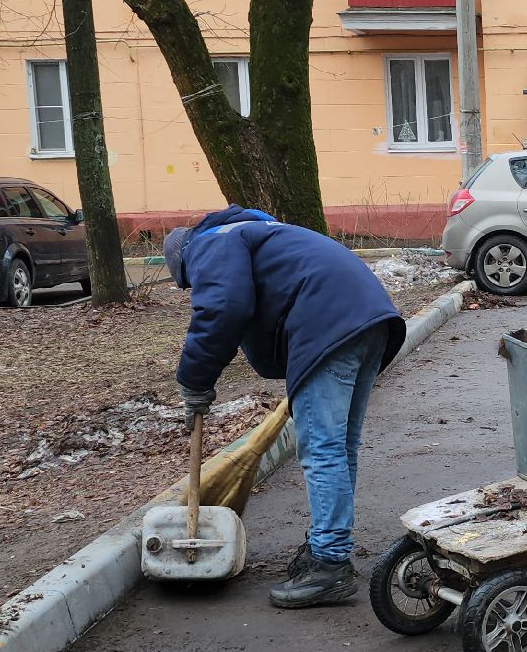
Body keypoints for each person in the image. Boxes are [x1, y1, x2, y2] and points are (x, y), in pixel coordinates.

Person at [165, 206, 405, 609]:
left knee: (324, 449)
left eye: (188, 282)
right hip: (369, 317)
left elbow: (223, 308)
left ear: (183, 261)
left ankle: (330, 564)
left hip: (329, 324)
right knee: (340, 447)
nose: (194, 286)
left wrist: (193, 382)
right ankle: (325, 548)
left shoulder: (208, 245)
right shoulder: (254, 232)